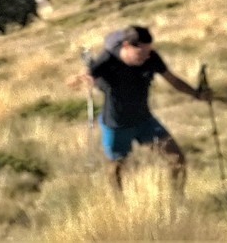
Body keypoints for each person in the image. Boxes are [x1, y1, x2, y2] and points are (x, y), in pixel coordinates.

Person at [81, 25, 206, 192]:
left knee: (177, 159)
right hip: (116, 125)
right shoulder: (107, 60)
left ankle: (177, 201)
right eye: (141, 52)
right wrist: (83, 78)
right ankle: (120, 204)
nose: (146, 56)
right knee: (117, 166)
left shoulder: (151, 58)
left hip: (144, 120)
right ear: (126, 46)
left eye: (149, 51)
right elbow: (86, 75)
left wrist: (197, 94)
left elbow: (173, 80)